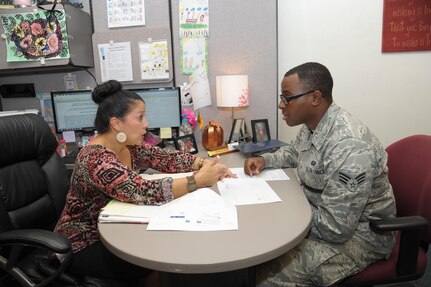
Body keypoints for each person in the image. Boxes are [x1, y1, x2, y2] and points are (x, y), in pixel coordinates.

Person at [54, 80, 234, 286]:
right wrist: (198, 180)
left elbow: (166, 159)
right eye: (140, 117)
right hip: (84, 242)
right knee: (157, 260)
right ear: (116, 124)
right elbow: (141, 190)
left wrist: (204, 163)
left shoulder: (127, 146)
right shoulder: (96, 158)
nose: (146, 124)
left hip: (114, 228)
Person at [244, 62, 396, 287]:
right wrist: (264, 160)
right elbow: (294, 152)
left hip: (362, 237)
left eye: (287, 97)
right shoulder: (314, 125)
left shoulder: (348, 146)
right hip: (322, 217)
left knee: (268, 274)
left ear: (315, 98)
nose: (280, 104)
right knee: (259, 249)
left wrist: (282, 213)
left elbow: (335, 229)